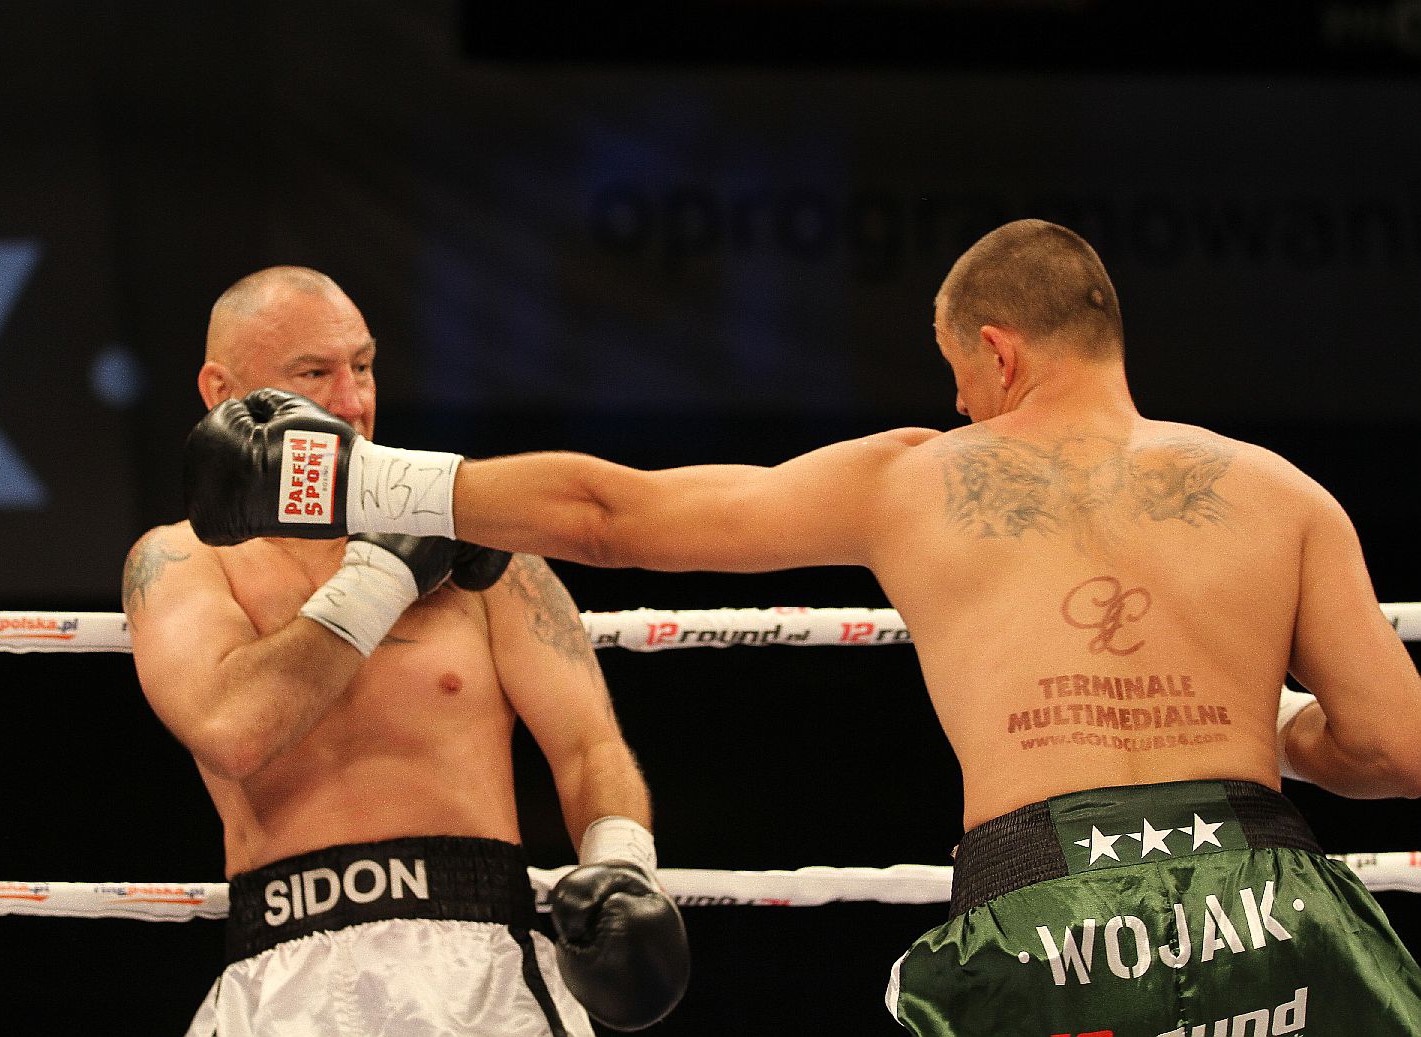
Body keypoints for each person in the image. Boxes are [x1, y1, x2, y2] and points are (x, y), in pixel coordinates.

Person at [187, 222, 1421, 1032]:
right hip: (1274, 905)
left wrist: (351, 482)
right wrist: (1273, 727)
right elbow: (1394, 747)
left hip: (1052, 917)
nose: (956, 406)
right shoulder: (1281, 494)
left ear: (996, 352)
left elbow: (610, 513)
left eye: (956, 375)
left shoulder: (916, 476)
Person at [127, 266, 687, 1037]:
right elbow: (234, 729)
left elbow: (589, 745)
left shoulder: (473, 529)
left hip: (482, 966)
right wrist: (384, 573)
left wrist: (621, 865)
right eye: (313, 374)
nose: (351, 402)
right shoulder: (180, 560)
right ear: (224, 392)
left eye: (362, 366)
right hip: (283, 965)